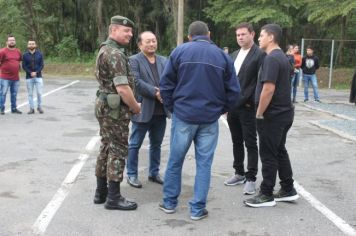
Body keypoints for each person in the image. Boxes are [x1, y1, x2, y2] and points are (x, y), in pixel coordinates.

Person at [159, 21, 240, 220]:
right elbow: (234, 91)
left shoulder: (179, 52)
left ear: (189, 36)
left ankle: (169, 203)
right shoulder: (222, 55)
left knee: (175, 160)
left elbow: (166, 85)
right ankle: (197, 209)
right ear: (209, 34)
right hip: (209, 118)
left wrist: (173, 108)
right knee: (204, 164)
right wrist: (221, 110)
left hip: (184, 116)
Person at [244, 24, 299, 208]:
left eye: (261, 35)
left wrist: (259, 112)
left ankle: (266, 194)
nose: (258, 39)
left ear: (271, 37)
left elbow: (268, 88)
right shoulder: (281, 57)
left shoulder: (272, 59)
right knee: (279, 150)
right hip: (284, 113)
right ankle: (288, 189)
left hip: (273, 115)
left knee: (268, 153)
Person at [93, 15, 141, 211]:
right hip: (115, 110)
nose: (130, 34)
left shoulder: (104, 49)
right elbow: (122, 88)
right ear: (113, 30)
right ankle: (113, 197)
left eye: (131, 31)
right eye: (126, 30)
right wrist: (135, 106)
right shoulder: (115, 54)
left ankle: (100, 192)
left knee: (106, 146)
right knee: (118, 149)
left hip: (105, 105)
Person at [224, 22, 264, 195]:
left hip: (248, 107)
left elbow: (257, 83)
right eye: (238, 35)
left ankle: (251, 178)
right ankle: (239, 172)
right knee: (236, 141)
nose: (240, 37)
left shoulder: (260, 55)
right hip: (233, 107)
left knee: (251, 143)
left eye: (243, 34)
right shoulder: (233, 55)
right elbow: (228, 80)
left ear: (252, 34)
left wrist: (245, 101)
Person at [126, 31, 169, 188]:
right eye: (148, 41)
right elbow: (136, 82)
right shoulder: (133, 61)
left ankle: (154, 172)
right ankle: (131, 174)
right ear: (140, 45)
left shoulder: (164, 60)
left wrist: (165, 92)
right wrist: (156, 92)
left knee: (156, 144)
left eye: (154, 41)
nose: (152, 44)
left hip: (161, 111)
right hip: (142, 109)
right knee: (135, 144)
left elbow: (170, 79)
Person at [0, 35, 22, 115]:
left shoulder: (18, 51)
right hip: (5, 78)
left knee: (14, 94)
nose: (12, 41)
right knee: (3, 93)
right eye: (10, 40)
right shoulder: (2, 51)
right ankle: (1, 109)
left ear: (15, 41)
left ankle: (14, 108)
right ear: (7, 42)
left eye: (13, 40)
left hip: (15, 78)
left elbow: (19, 61)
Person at [22, 40, 44, 114]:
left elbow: (42, 65)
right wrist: (30, 72)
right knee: (30, 94)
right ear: (28, 45)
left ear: (35, 45)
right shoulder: (25, 55)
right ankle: (31, 109)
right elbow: (24, 66)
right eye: (30, 44)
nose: (31, 45)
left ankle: (39, 107)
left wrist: (36, 72)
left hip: (38, 77)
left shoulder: (40, 54)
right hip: (29, 77)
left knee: (39, 93)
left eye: (32, 44)